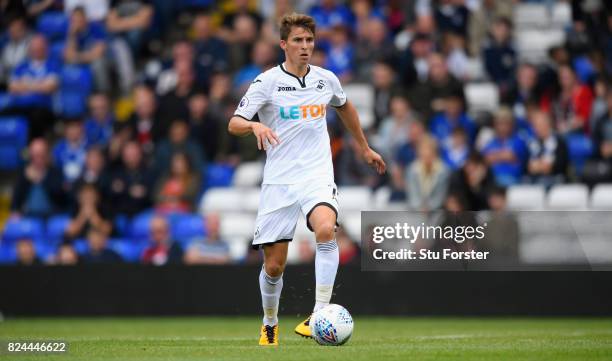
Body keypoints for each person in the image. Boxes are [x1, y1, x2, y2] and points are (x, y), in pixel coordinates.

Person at [227, 13, 385, 346]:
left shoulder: (326, 79)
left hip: (316, 174)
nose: (305, 47)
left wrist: (364, 147)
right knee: (274, 266)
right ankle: (270, 323)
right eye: (298, 41)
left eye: (309, 41)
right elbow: (235, 122)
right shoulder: (267, 82)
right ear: (283, 44)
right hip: (279, 181)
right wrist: (255, 125)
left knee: (327, 229)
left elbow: (345, 108)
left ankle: (319, 312)